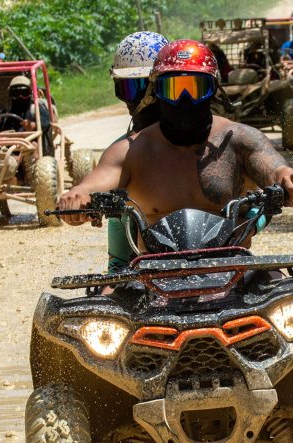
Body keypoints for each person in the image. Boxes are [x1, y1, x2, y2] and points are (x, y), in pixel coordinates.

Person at [57, 40, 293, 259]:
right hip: (151, 278)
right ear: (156, 92)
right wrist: (77, 198)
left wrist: (289, 180)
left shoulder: (240, 140)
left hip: (233, 268)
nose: (184, 100)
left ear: (213, 89)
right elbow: (92, 185)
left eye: (195, 89)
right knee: (99, 309)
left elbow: (274, 168)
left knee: (291, 301)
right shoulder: (130, 151)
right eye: (172, 89)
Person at [107, 31, 169, 271]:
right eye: (130, 89)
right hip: (150, 263)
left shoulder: (211, 137)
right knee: (111, 292)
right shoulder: (121, 152)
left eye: (149, 89)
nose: (143, 101)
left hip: (218, 258)